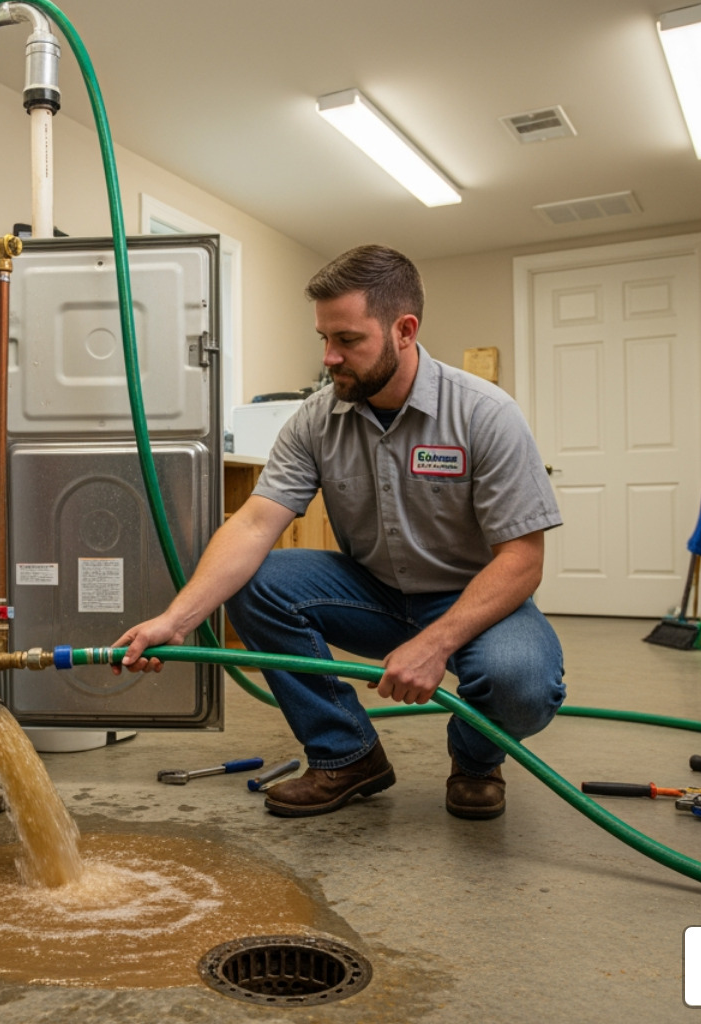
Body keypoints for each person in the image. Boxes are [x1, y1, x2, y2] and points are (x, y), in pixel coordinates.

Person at [112, 244, 566, 819]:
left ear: (404, 330)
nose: (329, 357)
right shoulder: (314, 419)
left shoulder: (484, 414)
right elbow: (254, 524)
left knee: (521, 683)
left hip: (475, 600)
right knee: (255, 581)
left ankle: (477, 761)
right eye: (323, 339)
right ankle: (347, 754)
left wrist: (434, 643)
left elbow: (523, 560)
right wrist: (177, 620)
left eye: (348, 340)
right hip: (371, 593)